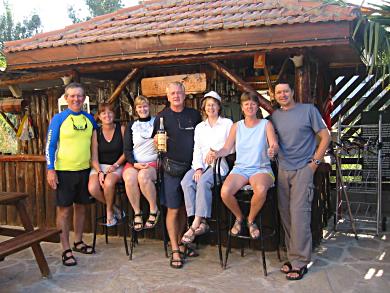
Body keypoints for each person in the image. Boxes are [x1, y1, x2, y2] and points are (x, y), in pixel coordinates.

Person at [271, 80, 330, 281]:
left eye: (286, 91)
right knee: (286, 215)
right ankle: (292, 256)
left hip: (303, 170)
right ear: (275, 95)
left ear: (292, 92)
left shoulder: (308, 110)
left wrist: (314, 162)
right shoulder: (275, 117)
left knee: (299, 215)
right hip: (282, 170)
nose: (283, 95)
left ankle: (300, 262)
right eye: (279, 92)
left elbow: (325, 135)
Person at [206, 91, 278, 240]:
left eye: (253, 104)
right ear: (242, 107)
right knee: (225, 192)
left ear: (258, 107)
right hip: (240, 168)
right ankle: (239, 218)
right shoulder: (236, 126)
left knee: (261, 189)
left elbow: (274, 144)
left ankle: (251, 220)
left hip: (261, 168)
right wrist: (216, 153)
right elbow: (226, 148)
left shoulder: (266, 124)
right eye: (246, 104)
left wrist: (272, 150)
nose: (250, 106)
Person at [46, 82, 98, 266]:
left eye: (79, 96)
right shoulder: (59, 119)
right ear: (66, 98)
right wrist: (50, 169)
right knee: (64, 210)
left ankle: (78, 241)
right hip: (64, 171)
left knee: (81, 208)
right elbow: (50, 145)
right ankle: (65, 248)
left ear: (84, 99)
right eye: (72, 96)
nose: (76, 99)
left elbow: (96, 144)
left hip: (84, 170)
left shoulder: (89, 119)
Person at [153, 82, 202, 269]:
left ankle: (182, 243)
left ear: (185, 94)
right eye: (172, 93)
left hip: (191, 169)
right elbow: (156, 144)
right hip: (171, 170)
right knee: (173, 209)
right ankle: (174, 249)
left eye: (179, 92)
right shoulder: (161, 117)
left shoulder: (194, 115)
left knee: (183, 207)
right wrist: (156, 141)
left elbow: (201, 139)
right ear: (168, 96)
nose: (176, 96)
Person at [180, 91, 232, 244]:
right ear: (204, 108)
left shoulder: (227, 124)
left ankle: (195, 223)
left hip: (218, 166)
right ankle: (201, 222)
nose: (211, 108)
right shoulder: (200, 127)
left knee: (203, 182)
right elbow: (197, 149)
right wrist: (197, 168)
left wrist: (217, 152)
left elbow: (232, 147)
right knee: (186, 182)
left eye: (214, 105)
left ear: (219, 106)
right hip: (201, 165)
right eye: (208, 105)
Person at [122, 96, 159, 231]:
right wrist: (134, 163)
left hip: (152, 162)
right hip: (135, 163)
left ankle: (153, 209)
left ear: (149, 107)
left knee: (143, 176)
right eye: (139, 107)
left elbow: (164, 143)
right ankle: (137, 212)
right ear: (135, 109)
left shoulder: (157, 122)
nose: (142, 109)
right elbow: (126, 149)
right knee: (129, 178)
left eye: (145, 106)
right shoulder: (131, 126)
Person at [88, 103, 126, 227]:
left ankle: (109, 212)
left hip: (117, 165)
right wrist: (99, 172)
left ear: (114, 114)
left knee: (109, 184)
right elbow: (94, 157)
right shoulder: (96, 132)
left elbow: (127, 152)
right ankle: (115, 208)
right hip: (100, 166)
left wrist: (115, 165)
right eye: (103, 113)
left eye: (110, 112)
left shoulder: (121, 129)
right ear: (99, 116)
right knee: (93, 188)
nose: (107, 115)